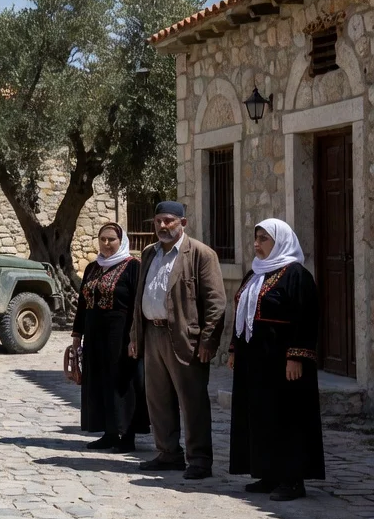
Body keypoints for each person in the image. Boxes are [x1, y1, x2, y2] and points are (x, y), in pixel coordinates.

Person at [128, 201, 226, 480]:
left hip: (185, 337)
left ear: (183, 223)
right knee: (157, 399)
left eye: (168, 220)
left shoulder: (201, 254)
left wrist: (208, 341)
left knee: (192, 400)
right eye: (158, 221)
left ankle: (199, 459)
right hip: (152, 333)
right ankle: (168, 453)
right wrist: (135, 335)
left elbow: (216, 302)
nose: (162, 226)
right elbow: (140, 296)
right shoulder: (149, 253)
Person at [229, 219, 325, 501]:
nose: (256, 244)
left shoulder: (296, 275)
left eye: (264, 239)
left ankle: (292, 479)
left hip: (282, 361)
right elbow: (241, 315)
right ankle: (268, 473)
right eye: (256, 238)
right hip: (255, 361)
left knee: (288, 416)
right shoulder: (254, 273)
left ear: (280, 241)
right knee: (260, 415)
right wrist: (234, 350)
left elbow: (306, 318)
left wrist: (297, 356)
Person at [69, 223, 148, 452]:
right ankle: (109, 432)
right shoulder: (93, 268)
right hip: (95, 336)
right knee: (100, 381)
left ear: (121, 241)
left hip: (121, 336)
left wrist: (135, 337)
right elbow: (83, 304)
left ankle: (128, 435)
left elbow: (137, 305)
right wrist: (77, 336)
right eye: (102, 239)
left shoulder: (133, 267)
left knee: (123, 383)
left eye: (111, 239)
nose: (106, 244)